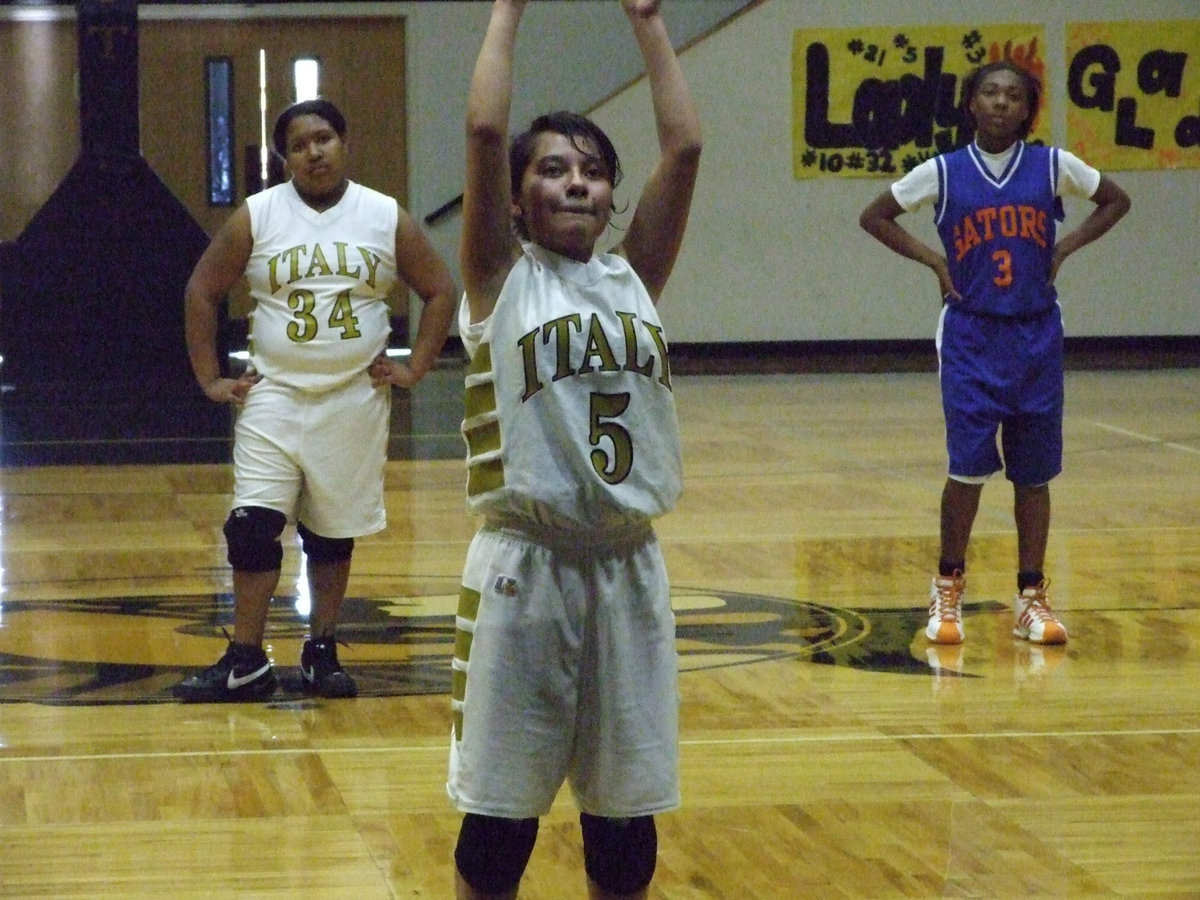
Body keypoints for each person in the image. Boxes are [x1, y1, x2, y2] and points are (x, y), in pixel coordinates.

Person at [447, 1, 701, 896]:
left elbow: (685, 150)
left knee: (625, 831)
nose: (577, 183)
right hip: (527, 570)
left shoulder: (636, 278)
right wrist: (507, 11)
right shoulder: (497, 284)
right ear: (518, 199)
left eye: (593, 170)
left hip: (629, 569)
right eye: (552, 170)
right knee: (498, 829)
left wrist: (650, 23)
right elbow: (484, 128)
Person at [173, 98, 457, 702]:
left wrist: (418, 367)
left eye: (323, 138)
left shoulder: (382, 215)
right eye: (299, 145)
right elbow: (202, 290)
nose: (314, 152)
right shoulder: (258, 214)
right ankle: (246, 660)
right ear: (285, 158)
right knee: (251, 528)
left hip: (352, 398)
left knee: (330, 537)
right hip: (272, 395)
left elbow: (439, 289)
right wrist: (209, 378)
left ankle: (321, 649)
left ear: (343, 142)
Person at [859, 61, 1130, 648]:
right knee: (968, 469)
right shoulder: (945, 172)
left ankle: (1031, 596)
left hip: (1036, 333)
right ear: (972, 104)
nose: (1002, 103)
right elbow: (874, 215)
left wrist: (1066, 247)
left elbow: (1115, 199)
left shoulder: (1053, 165)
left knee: (1034, 475)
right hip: (971, 337)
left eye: (1013, 95)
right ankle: (947, 584)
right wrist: (934, 260)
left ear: (1026, 109)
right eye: (990, 92)